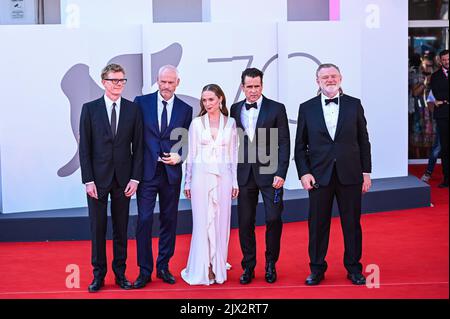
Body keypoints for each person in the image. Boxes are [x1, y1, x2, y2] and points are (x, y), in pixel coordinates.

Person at [294, 63, 372, 286]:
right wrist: (304, 173)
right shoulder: (306, 107)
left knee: (352, 224)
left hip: (351, 174)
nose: (330, 80)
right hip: (319, 176)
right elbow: (300, 145)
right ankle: (317, 269)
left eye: (333, 76)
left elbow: (363, 140)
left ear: (341, 78)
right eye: (325, 77)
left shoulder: (353, 104)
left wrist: (366, 172)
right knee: (317, 225)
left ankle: (354, 268)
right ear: (317, 81)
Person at [79, 63, 143, 292]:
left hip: (124, 180)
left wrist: (135, 178)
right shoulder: (89, 109)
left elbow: (139, 147)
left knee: (121, 229)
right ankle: (98, 276)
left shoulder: (133, 110)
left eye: (122, 80)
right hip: (97, 180)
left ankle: (120, 274)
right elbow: (84, 148)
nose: (118, 84)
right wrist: (88, 180)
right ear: (103, 82)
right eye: (114, 80)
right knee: (97, 229)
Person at [133, 65, 193, 288]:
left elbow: (187, 141)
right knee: (144, 220)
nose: (166, 86)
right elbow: (134, 135)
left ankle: (163, 266)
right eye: (163, 82)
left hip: (171, 173)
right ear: (157, 81)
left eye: (171, 82)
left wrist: (180, 156)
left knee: (169, 220)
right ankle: (144, 270)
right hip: (147, 172)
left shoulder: (186, 109)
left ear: (178, 82)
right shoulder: (141, 103)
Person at [230, 68, 290, 284]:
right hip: (244, 174)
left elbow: (284, 142)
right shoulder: (235, 109)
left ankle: (270, 263)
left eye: (257, 86)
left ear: (262, 86)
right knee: (245, 222)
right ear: (242, 87)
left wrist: (281, 173)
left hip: (270, 174)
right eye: (249, 87)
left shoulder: (276, 108)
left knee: (274, 218)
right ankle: (248, 266)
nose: (253, 91)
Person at [181, 84, 239, 285]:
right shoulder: (196, 124)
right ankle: (204, 266)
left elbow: (233, 155)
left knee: (221, 222)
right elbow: (191, 154)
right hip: (200, 177)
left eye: (211, 100)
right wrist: (187, 181)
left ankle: (217, 264)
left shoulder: (231, 123)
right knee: (202, 222)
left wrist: (235, 181)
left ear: (220, 99)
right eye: (204, 100)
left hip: (224, 177)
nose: (207, 104)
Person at [429, 49, 449, 188]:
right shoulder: (435, 76)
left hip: (442, 107)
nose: (447, 62)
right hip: (442, 115)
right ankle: (447, 179)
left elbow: (442, 95)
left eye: (448, 59)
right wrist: (442, 100)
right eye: (444, 60)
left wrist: (443, 99)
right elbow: (436, 92)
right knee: (445, 148)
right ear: (440, 61)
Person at [421, 90, 441, 183]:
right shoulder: (439, 83)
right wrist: (439, 114)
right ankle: (428, 172)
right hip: (443, 121)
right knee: (437, 147)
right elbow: (430, 101)